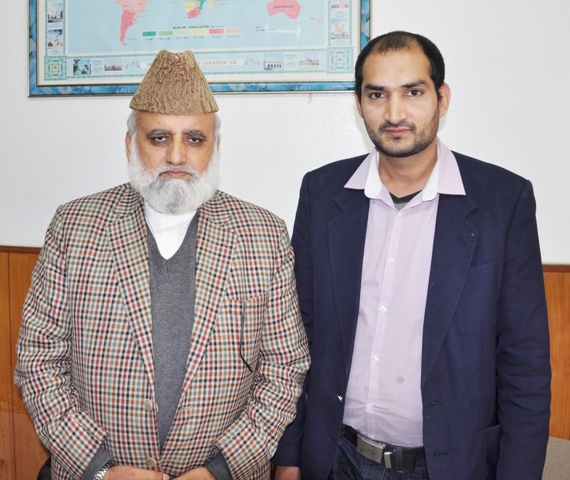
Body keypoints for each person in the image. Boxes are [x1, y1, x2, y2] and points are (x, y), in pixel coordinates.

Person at [15, 50, 310, 480]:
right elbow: (39, 361)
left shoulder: (263, 235)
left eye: (194, 139)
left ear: (215, 147)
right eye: (158, 138)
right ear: (130, 144)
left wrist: (220, 470)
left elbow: (284, 368)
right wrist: (101, 471)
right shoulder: (75, 227)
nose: (175, 156)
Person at [272, 31, 551, 480]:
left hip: (451, 465)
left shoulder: (503, 200)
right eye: (377, 94)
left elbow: (525, 362)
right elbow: (294, 337)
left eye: (413, 92)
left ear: (442, 98)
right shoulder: (322, 193)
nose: (394, 113)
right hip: (336, 458)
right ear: (359, 103)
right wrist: (288, 456)